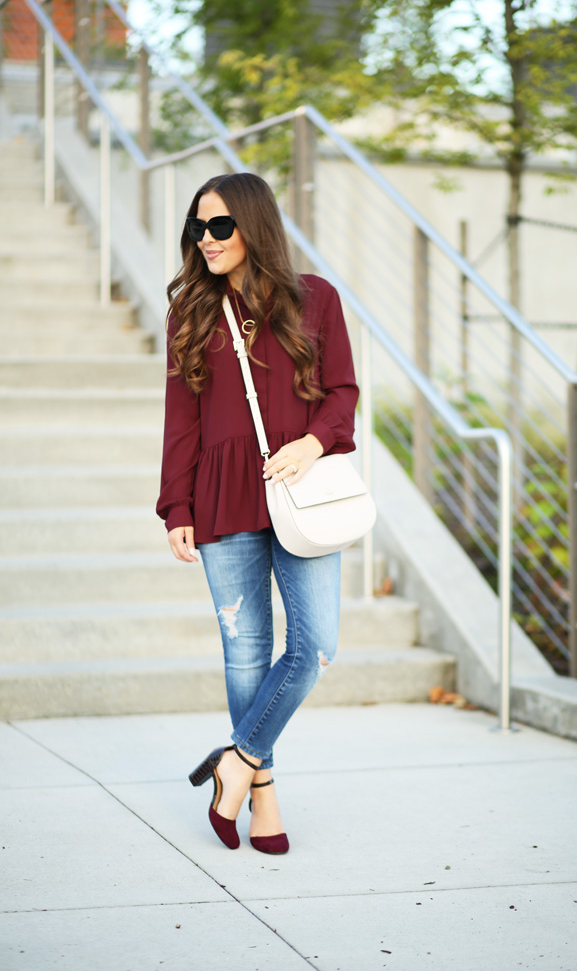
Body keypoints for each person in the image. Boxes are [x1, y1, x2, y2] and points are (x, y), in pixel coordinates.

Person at [156, 172, 358, 855]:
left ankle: (234, 763)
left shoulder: (316, 299)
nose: (206, 240)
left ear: (253, 226)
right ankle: (262, 797)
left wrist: (312, 441)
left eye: (219, 227)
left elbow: (343, 390)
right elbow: (181, 420)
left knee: (315, 646)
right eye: (197, 228)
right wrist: (174, 505)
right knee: (245, 655)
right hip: (221, 494)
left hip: (299, 491)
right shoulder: (191, 313)